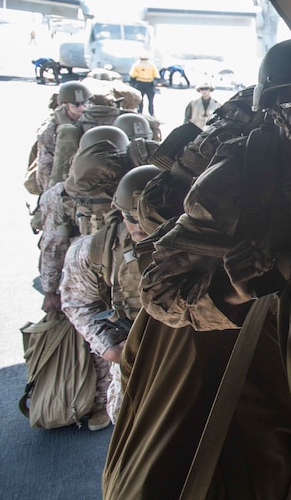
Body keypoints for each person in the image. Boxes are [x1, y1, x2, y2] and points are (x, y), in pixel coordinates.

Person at [104, 38, 291, 500]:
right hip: (264, 357)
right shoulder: (233, 182)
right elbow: (159, 294)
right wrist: (230, 291)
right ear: (278, 113)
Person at [60, 165, 172, 426]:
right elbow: (77, 302)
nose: (138, 226)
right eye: (130, 218)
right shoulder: (95, 250)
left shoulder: (197, 245)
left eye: (146, 217)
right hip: (131, 362)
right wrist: (109, 347)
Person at [34, 81, 92, 193]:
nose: (82, 107)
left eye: (85, 102)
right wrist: (49, 192)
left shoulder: (93, 117)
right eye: (76, 104)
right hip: (61, 172)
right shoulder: (50, 129)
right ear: (65, 104)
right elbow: (45, 165)